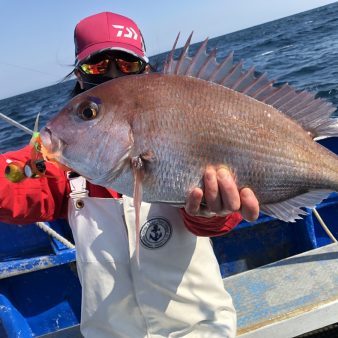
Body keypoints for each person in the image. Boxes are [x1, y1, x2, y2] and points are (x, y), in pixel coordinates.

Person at [0, 12, 260, 337]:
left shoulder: (180, 126)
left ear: (147, 70)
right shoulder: (60, 155)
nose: (111, 76)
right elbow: (11, 185)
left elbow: (211, 222)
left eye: (126, 65)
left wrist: (213, 210)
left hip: (200, 330)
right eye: (96, 66)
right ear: (80, 77)